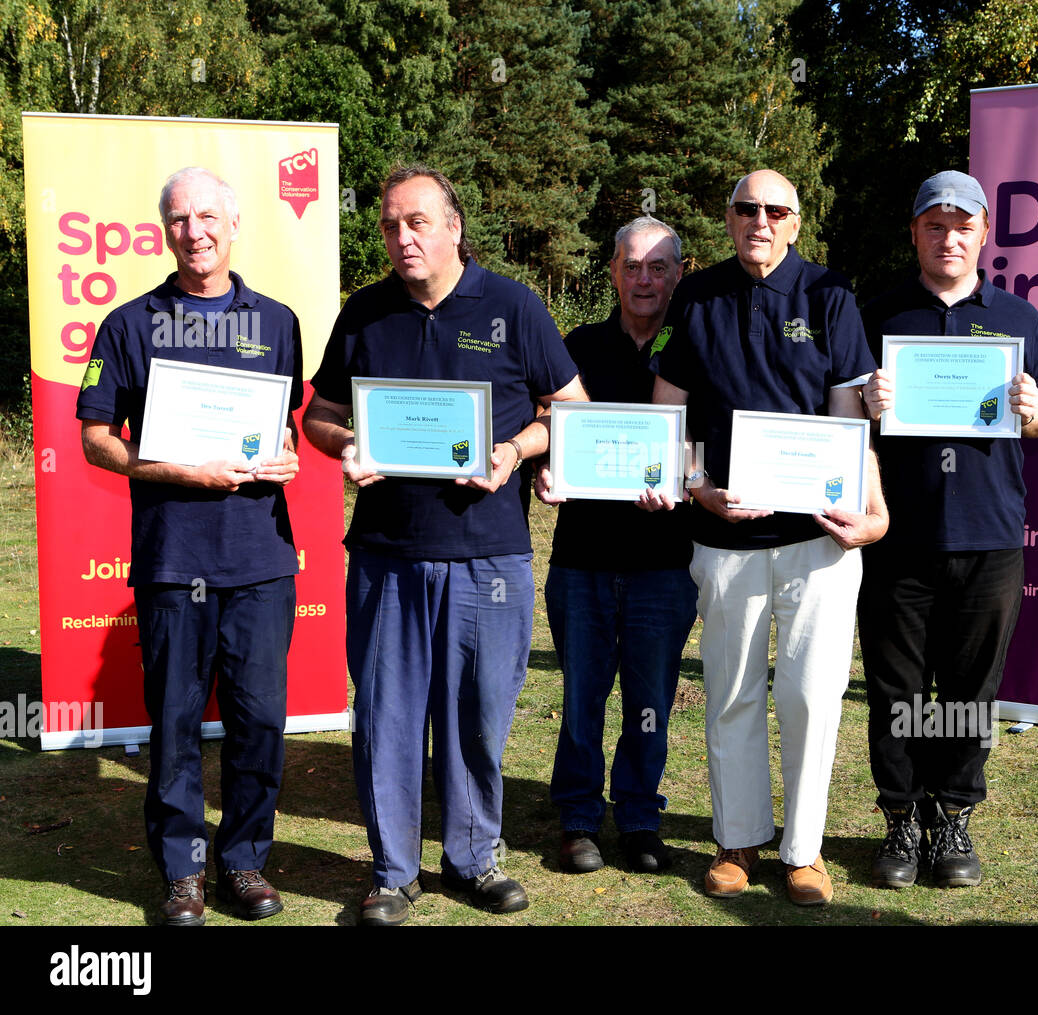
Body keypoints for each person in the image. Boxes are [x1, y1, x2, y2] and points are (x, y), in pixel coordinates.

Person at [303, 165, 585, 924]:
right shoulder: (363, 313)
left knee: (478, 716)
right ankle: (394, 872)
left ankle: (473, 857)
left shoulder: (513, 306)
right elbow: (318, 415)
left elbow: (571, 409)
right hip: (388, 553)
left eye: (417, 222)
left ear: (455, 227)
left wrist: (517, 449)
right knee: (389, 717)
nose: (402, 237)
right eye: (391, 224)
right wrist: (349, 443)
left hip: (489, 554)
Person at [647, 170, 888, 905]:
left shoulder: (830, 294)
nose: (760, 219)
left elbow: (851, 424)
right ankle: (736, 839)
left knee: (812, 695)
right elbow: (671, 418)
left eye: (775, 209)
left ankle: (804, 850)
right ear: (728, 219)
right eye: (747, 208)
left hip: (819, 538)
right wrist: (696, 488)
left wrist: (872, 508)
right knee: (730, 694)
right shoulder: (698, 296)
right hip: (725, 536)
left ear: (794, 222)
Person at [77, 167, 302, 926]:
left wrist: (288, 454)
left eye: (208, 216)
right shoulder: (128, 324)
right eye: (179, 219)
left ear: (234, 224)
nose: (194, 231)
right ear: (164, 230)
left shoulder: (278, 321)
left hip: (262, 559)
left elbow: (286, 426)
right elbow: (96, 439)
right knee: (174, 720)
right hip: (174, 559)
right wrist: (174, 468)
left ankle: (242, 860)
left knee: (259, 718)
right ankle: (183, 869)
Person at [859, 170, 1038, 889]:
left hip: (991, 535)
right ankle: (900, 821)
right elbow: (849, 417)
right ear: (915, 232)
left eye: (963, 225)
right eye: (935, 225)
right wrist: (867, 401)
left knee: (969, 691)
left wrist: (1033, 404)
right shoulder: (878, 313)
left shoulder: (1018, 316)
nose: (950, 237)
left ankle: (952, 817)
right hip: (897, 538)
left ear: (983, 234)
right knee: (898, 688)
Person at [535, 216, 697, 875]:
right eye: (632, 265)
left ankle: (638, 818)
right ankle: (578, 818)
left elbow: (706, 444)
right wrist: (544, 469)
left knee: (651, 700)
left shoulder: (695, 349)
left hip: (663, 562)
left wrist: (689, 478)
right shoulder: (576, 348)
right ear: (612, 272)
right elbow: (547, 425)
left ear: (679, 274)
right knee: (582, 697)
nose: (644, 278)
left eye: (659, 266)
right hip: (583, 557)